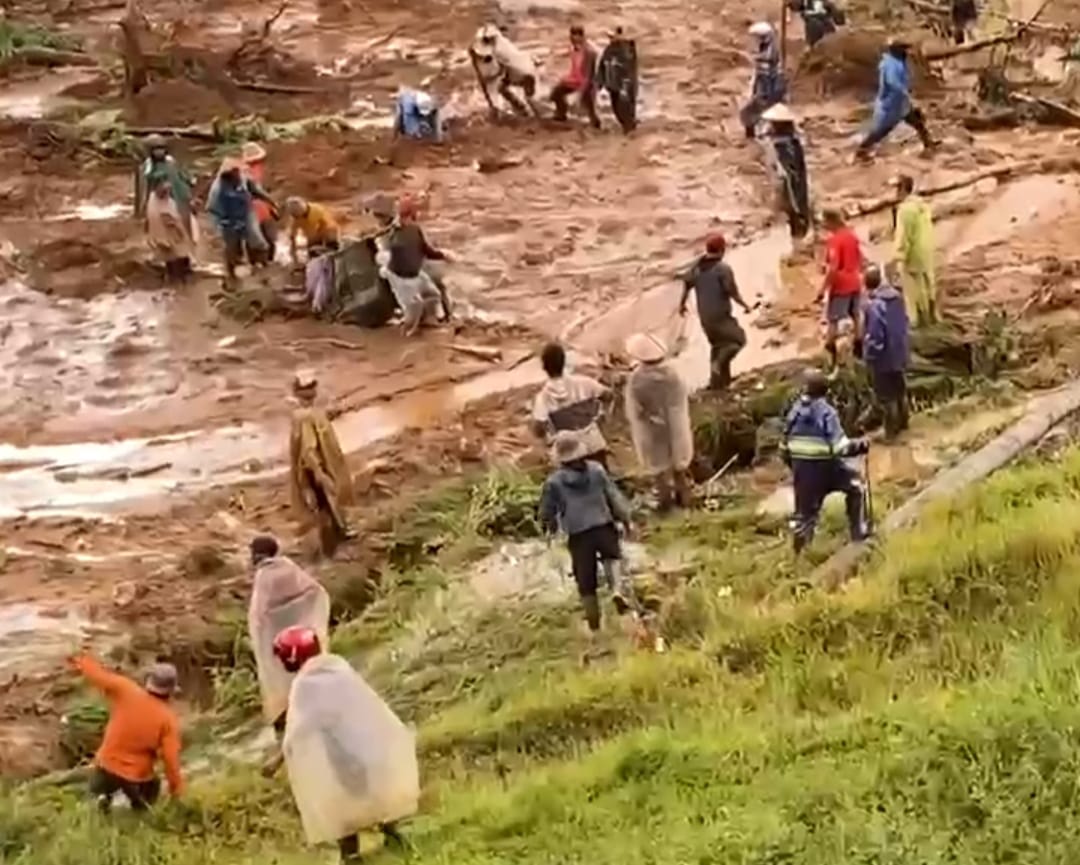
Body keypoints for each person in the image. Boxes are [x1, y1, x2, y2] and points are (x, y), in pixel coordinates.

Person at [271, 626, 418, 864]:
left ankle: (350, 856)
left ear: (292, 657)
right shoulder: (336, 667)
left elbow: (300, 729)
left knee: (341, 805)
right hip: (364, 745)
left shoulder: (305, 685)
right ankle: (392, 834)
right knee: (373, 794)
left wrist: (277, 760)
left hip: (338, 753)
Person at [539, 431, 634, 640]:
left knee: (586, 579)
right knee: (613, 557)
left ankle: (594, 626)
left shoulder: (554, 483)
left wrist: (549, 529)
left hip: (578, 534)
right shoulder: (596, 470)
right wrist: (626, 519)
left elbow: (547, 512)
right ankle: (616, 589)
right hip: (603, 524)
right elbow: (613, 496)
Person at [68, 654, 183, 812]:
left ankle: (101, 799)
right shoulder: (168, 720)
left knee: (95, 793)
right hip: (136, 776)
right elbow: (171, 761)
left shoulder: (126, 689)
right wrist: (177, 792)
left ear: (148, 681)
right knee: (150, 792)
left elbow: (98, 676)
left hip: (106, 764)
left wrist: (81, 658)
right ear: (171, 691)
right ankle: (137, 808)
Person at [247, 534, 330, 740]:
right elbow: (314, 591)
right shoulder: (288, 567)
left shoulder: (264, 576)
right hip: (301, 640)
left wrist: (263, 636)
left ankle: (289, 726)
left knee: (283, 683)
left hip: (281, 644)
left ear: (256, 555)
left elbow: (259, 615)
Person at [780, 369, 871, 553]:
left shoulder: (794, 411)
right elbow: (841, 448)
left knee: (804, 516)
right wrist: (860, 446)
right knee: (855, 486)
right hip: (827, 468)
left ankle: (800, 556)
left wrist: (797, 469)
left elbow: (783, 449)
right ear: (825, 391)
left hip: (803, 472)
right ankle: (858, 534)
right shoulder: (826, 412)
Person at [624, 332, 693, 510]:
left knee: (658, 469)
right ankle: (685, 500)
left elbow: (636, 410)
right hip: (676, 426)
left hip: (652, 431)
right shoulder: (672, 374)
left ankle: (665, 503)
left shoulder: (637, 380)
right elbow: (681, 399)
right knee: (680, 466)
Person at [289, 370, 354, 557]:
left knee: (329, 508)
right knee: (325, 508)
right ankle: (331, 550)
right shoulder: (305, 418)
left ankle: (339, 538)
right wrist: (320, 473)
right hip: (316, 469)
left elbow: (319, 425)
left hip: (316, 468)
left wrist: (331, 414)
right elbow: (308, 449)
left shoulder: (305, 414)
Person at [679, 233, 753, 391]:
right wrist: (746, 306)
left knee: (718, 346)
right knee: (738, 340)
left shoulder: (697, 266)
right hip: (720, 316)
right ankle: (718, 365)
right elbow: (732, 291)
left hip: (705, 317)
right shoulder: (722, 269)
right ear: (722, 250)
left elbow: (686, 284)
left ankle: (718, 383)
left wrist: (682, 305)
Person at [531, 341, 610, 467]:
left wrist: (547, 437)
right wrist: (600, 414)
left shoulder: (544, 398)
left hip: (568, 452)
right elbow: (608, 395)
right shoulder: (584, 383)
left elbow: (538, 428)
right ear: (564, 362)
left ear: (544, 367)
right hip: (593, 444)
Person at [855, 40, 935, 161]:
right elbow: (893, 83)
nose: (907, 52)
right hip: (891, 103)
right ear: (898, 51)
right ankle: (861, 151)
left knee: (917, 121)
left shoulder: (896, 62)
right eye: (904, 49)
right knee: (881, 131)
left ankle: (929, 144)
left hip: (900, 102)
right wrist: (906, 93)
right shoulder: (891, 64)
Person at [208, 156, 276, 288]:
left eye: (237, 172)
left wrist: (270, 201)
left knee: (258, 240)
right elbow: (212, 208)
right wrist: (221, 223)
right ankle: (231, 273)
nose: (236, 175)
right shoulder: (217, 189)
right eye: (232, 173)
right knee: (231, 247)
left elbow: (256, 190)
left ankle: (263, 266)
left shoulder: (243, 178)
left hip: (246, 212)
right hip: (228, 218)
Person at [862, 264, 910, 440]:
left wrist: (870, 355)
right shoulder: (898, 298)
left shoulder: (874, 306)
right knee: (899, 389)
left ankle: (891, 432)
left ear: (867, 286)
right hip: (901, 350)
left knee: (886, 395)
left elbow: (875, 335)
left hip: (884, 357)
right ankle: (904, 423)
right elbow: (905, 321)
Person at [817, 209, 864, 368]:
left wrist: (823, 289)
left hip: (841, 286)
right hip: (855, 281)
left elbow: (834, 268)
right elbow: (860, 259)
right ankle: (859, 346)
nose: (823, 225)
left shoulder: (835, 241)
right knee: (856, 315)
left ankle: (831, 352)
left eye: (824, 222)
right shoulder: (852, 236)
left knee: (833, 319)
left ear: (831, 222)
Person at [397, 195, 452, 320]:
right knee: (439, 283)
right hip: (413, 274)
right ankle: (448, 317)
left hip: (399, 274)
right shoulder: (414, 230)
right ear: (413, 214)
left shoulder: (393, 231)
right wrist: (444, 256)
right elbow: (427, 252)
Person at [469, 24, 542, 118]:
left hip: (524, 73)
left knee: (532, 100)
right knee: (503, 88)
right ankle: (523, 109)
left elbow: (491, 77)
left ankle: (540, 115)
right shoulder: (500, 42)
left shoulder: (497, 50)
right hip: (524, 66)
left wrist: (492, 104)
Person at [893, 174, 937, 325]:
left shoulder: (905, 210)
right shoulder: (923, 206)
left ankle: (915, 321)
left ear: (903, 189)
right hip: (926, 251)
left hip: (912, 255)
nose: (895, 193)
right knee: (927, 285)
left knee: (912, 292)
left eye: (896, 189)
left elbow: (903, 235)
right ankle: (931, 317)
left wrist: (899, 256)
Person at [762, 103, 811, 241]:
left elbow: (788, 176)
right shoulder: (794, 143)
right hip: (795, 185)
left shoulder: (782, 147)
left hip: (786, 186)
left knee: (791, 213)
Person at [138, 134, 195, 244]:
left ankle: (189, 251)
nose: (159, 152)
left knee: (186, 224)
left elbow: (181, 174)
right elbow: (147, 181)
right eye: (156, 149)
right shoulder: (149, 165)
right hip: (162, 199)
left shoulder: (171, 162)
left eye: (161, 148)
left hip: (179, 196)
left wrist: (189, 182)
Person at [740, 22, 786, 140]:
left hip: (769, 86)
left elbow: (768, 74)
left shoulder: (771, 51)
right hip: (765, 84)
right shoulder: (766, 49)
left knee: (753, 111)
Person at [550, 25, 600, 129]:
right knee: (556, 93)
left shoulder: (589, 52)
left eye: (574, 36)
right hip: (574, 78)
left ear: (581, 36)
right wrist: (555, 54)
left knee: (589, 106)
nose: (572, 39)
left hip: (587, 82)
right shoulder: (574, 47)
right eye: (571, 36)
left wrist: (581, 93)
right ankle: (561, 113)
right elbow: (569, 53)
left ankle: (596, 125)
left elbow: (588, 74)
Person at [145, 176, 194, 283]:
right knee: (172, 257)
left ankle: (179, 276)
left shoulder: (166, 202)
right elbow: (152, 217)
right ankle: (176, 278)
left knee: (177, 255)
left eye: (167, 190)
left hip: (171, 234)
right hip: (164, 234)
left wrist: (180, 231)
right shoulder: (154, 200)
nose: (166, 192)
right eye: (163, 190)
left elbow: (175, 219)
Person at [598, 26, 638, 134]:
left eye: (613, 37)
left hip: (625, 87)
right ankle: (626, 127)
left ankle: (630, 129)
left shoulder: (627, 51)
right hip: (613, 86)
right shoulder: (608, 50)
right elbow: (602, 66)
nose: (611, 39)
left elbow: (629, 71)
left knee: (626, 109)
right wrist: (600, 82)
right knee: (616, 109)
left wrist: (625, 88)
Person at [243, 141, 277, 263]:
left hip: (253, 207)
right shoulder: (249, 172)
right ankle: (266, 262)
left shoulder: (246, 170)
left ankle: (257, 262)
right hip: (256, 207)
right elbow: (258, 190)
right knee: (266, 237)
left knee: (254, 237)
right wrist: (272, 203)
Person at [285, 197, 342, 262]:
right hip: (313, 236)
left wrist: (316, 239)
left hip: (328, 232)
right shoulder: (296, 218)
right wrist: (293, 248)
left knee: (332, 250)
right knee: (313, 256)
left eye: (295, 215)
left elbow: (326, 226)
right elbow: (293, 235)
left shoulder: (316, 210)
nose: (295, 217)